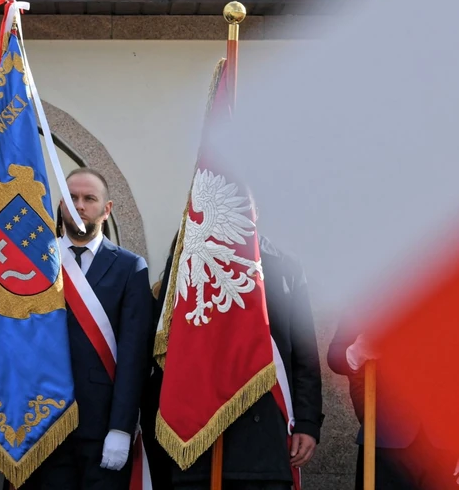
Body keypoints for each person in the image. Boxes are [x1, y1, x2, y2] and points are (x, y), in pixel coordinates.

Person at [19, 167, 153, 490]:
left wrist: (121, 427)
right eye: (72, 198)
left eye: (89, 199)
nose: (79, 206)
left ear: (107, 209)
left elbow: (134, 356)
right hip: (42, 426)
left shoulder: (130, 268)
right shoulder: (35, 262)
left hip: (102, 429)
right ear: (61, 205)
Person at [160, 234, 324, 490]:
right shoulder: (187, 257)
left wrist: (307, 422)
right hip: (201, 437)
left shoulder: (285, 265)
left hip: (265, 437)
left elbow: (304, 354)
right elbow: (166, 345)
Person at [328, 319, 459, 489]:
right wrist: (358, 351)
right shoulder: (366, 303)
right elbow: (335, 355)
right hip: (386, 442)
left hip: (451, 446)